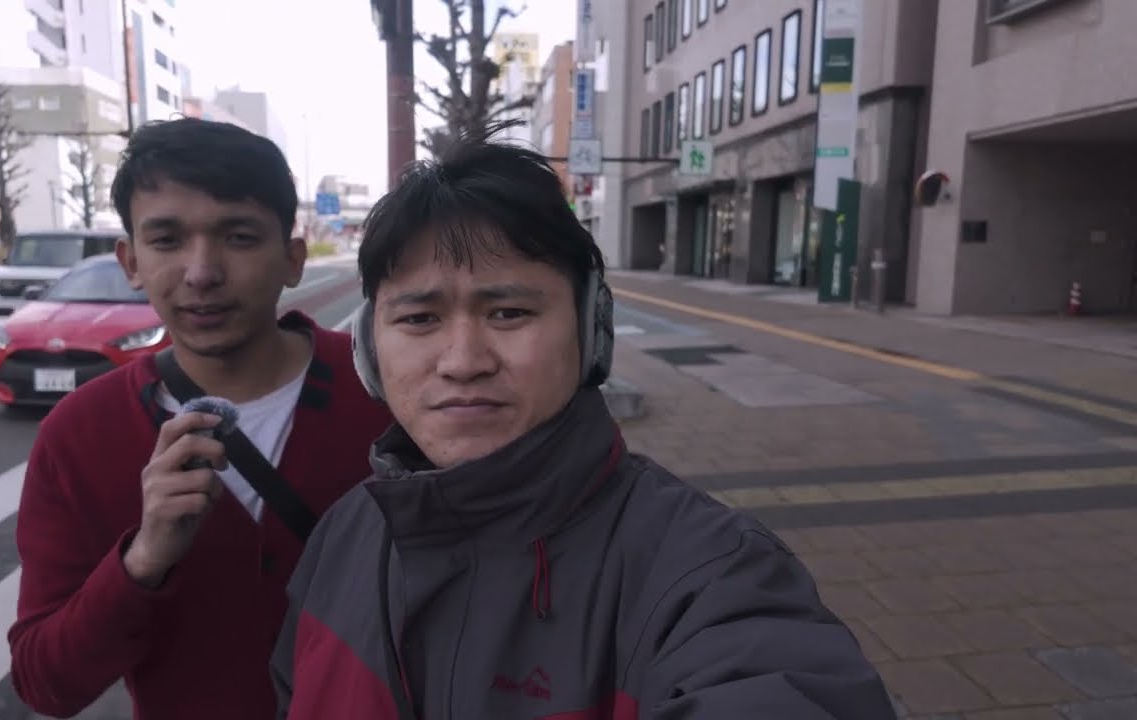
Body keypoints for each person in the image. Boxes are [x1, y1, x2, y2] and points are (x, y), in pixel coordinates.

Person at [270, 126, 896, 719]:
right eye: (419, 320)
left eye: (509, 313)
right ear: (368, 347)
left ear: (592, 329)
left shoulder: (709, 574)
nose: (462, 362)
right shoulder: (345, 535)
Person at [7, 117, 393, 719]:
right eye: (166, 241)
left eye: (239, 237)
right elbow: (45, 682)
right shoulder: (79, 434)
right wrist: (143, 560)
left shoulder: (390, 392)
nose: (202, 272)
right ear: (131, 261)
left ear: (293, 259)